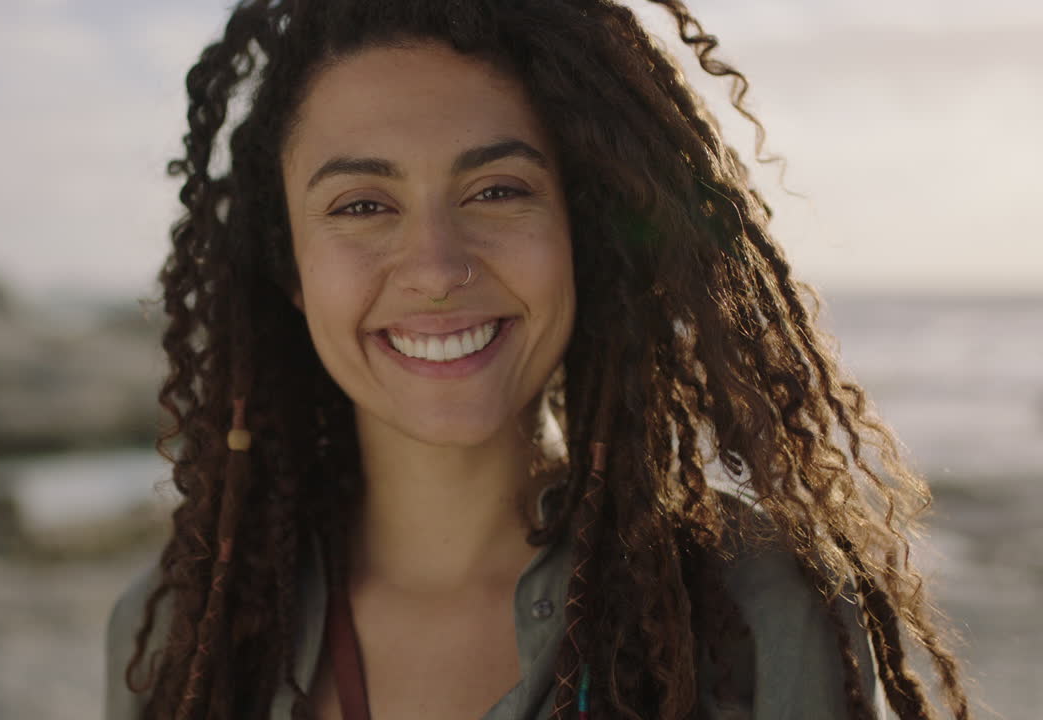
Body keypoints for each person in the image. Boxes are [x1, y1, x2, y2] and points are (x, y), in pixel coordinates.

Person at [105, 1, 971, 719]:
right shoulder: (184, 632)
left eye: (497, 190)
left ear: (582, 233)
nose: (438, 269)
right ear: (288, 269)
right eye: (363, 204)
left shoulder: (758, 609)